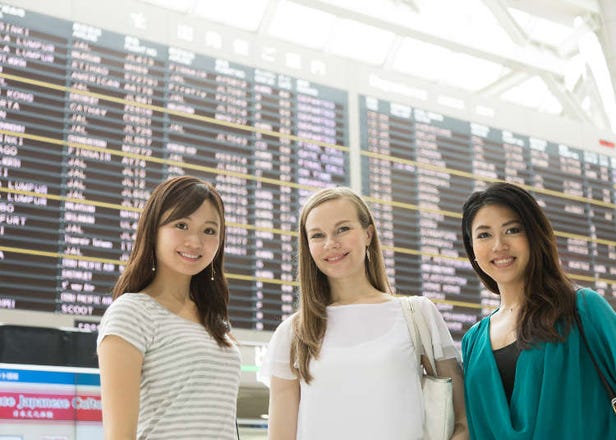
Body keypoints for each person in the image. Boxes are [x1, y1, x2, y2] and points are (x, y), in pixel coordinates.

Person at [258, 186, 468, 440]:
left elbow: (462, 421)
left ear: (368, 234)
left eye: (343, 229)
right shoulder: (293, 333)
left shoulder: (417, 314)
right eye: (317, 235)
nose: (330, 244)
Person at [460, 181, 616, 439]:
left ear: (534, 235)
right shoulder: (473, 342)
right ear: (472, 249)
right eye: (484, 234)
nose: (499, 245)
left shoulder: (582, 308)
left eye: (512, 230)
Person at [96, 176, 241, 440]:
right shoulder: (131, 312)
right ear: (153, 231)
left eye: (209, 230)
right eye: (181, 225)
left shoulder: (215, 321)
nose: (195, 242)